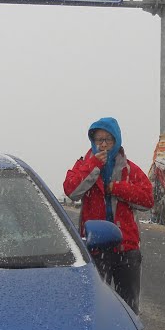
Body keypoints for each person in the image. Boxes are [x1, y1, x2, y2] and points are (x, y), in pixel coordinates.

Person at [63, 117, 153, 313]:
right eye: (98, 140)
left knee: (129, 310)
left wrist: (117, 188)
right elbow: (71, 190)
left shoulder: (129, 169)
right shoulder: (84, 165)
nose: (103, 145)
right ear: (92, 142)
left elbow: (147, 199)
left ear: (117, 140)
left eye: (108, 140)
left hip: (126, 248)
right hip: (95, 248)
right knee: (94, 308)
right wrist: (93, 165)